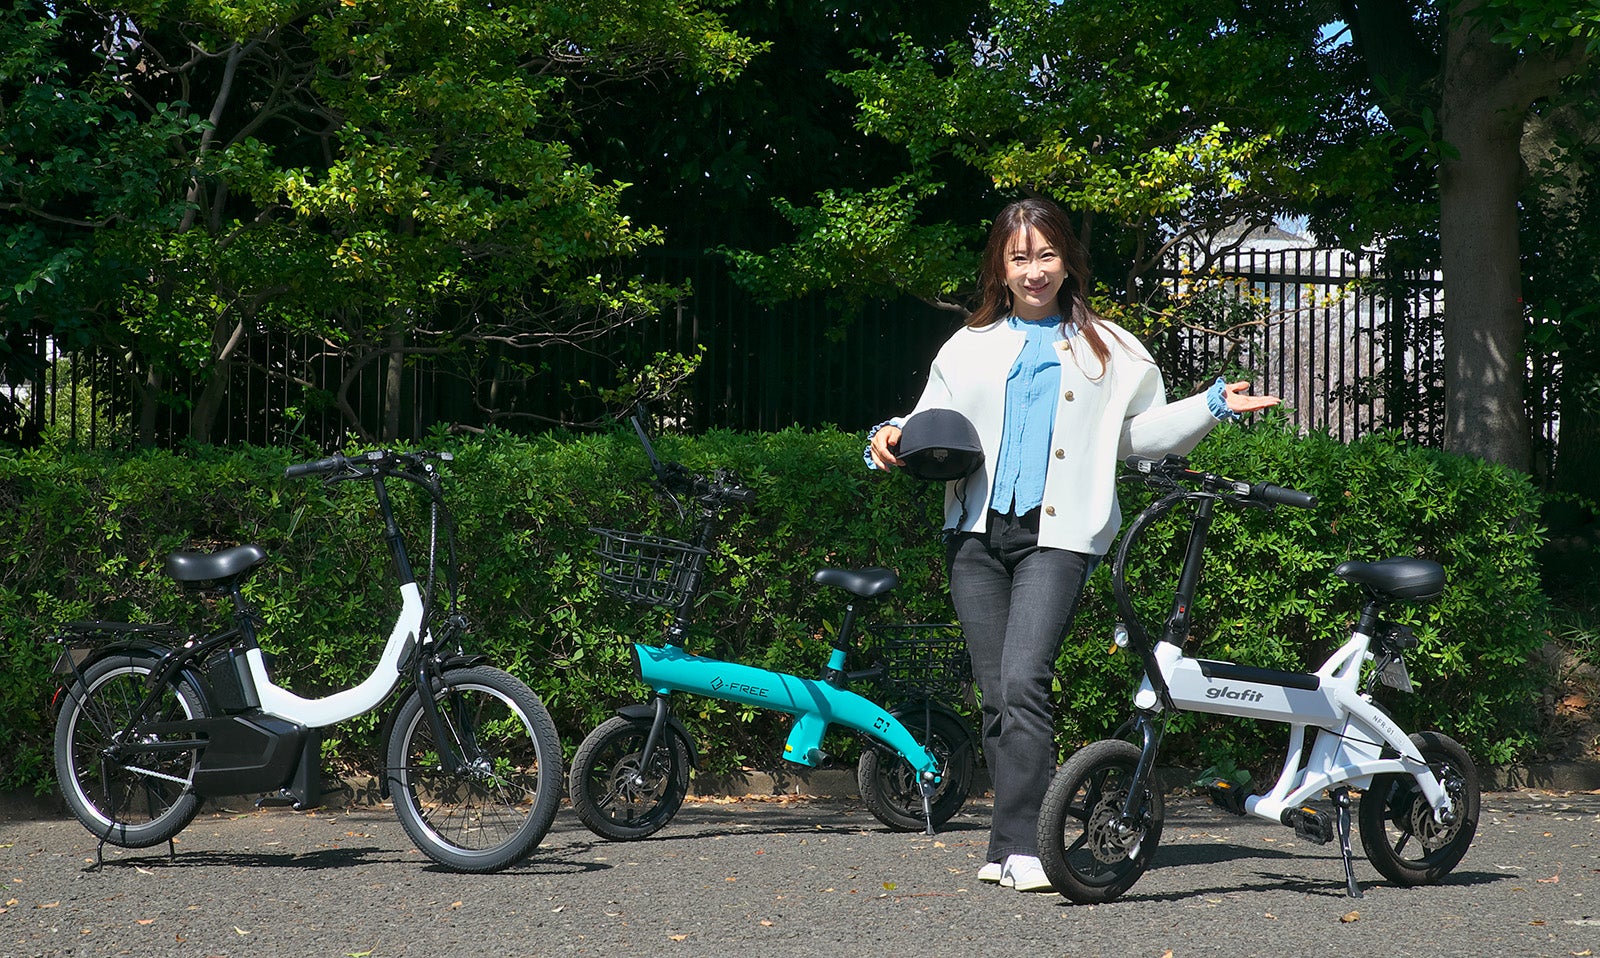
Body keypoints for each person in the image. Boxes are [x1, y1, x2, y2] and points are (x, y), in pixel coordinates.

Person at [866, 197, 1278, 892]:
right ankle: (1006, 846)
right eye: (1019, 257)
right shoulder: (968, 345)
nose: (1034, 271)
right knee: (995, 693)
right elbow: (934, 422)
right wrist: (889, 434)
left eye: (1046, 255)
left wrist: (1209, 407)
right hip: (973, 533)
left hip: (1059, 536)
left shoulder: (1110, 348)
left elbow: (1135, 438)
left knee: (1025, 680)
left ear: (1068, 261)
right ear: (1000, 265)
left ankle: (1027, 844)